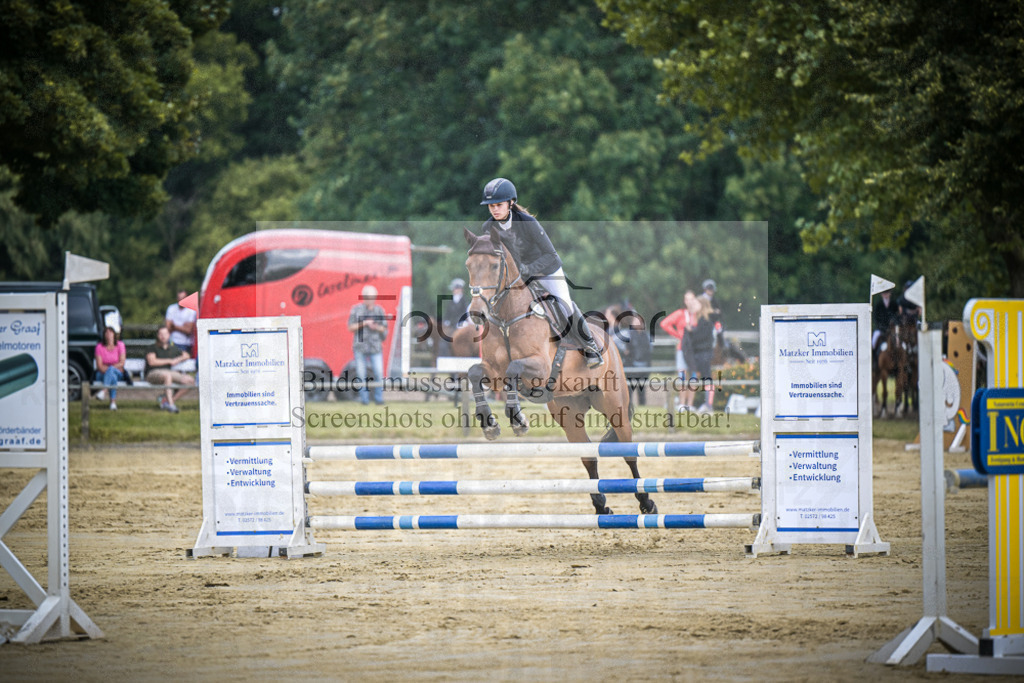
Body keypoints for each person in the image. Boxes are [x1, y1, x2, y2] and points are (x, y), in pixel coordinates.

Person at [479, 177, 603, 367]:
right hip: (517, 276)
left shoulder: (528, 222)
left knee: (565, 304)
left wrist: (529, 270)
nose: (494, 209)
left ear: (511, 203)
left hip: (546, 269)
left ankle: (590, 346)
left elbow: (551, 255)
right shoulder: (488, 227)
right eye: (491, 206)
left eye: (499, 205)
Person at [348, 284, 389, 405]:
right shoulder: (356, 310)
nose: (369, 299)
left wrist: (375, 326)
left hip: (375, 347)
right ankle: (364, 399)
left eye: (371, 297)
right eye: (367, 297)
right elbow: (351, 327)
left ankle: (378, 398)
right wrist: (364, 323)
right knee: (361, 374)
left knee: (378, 373)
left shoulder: (379, 311)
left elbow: (384, 329)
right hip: (360, 347)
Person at [659, 290, 696, 412]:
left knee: (693, 377)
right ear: (684, 301)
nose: (689, 301)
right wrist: (678, 335)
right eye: (687, 299)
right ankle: (682, 404)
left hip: (695, 349)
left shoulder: (697, 314)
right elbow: (665, 323)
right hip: (682, 348)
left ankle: (690, 404)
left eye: (691, 299)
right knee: (682, 376)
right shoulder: (681, 314)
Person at [144, 327, 195, 413]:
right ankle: (171, 406)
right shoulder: (152, 347)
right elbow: (152, 362)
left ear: (169, 335)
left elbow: (186, 355)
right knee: (167, 376)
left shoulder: (172, 348)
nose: (163, 336)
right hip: (152, 373)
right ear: (157, 336)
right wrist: (170, 361)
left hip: (168, 373)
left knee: (190, 381)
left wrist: (177, 360)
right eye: (161, 334)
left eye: (165, 334)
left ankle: (167, 401)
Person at [680, 294, 716, 413]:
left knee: (707, 378)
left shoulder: (706, 319)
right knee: (703, 378)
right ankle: (707, 404)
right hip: (701, 352)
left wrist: (691, 331)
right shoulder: (702, 319)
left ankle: (709, 405)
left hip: (704, 353)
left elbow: (701, 336)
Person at [94, 326, 126, 410]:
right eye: (106, 332)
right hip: (102, 373)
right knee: (112, 376)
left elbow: (122, 363)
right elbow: (99, 366)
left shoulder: (120, 345)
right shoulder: (99, 347)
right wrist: (110, 370)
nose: (108, 335)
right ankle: (112, 403)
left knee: (112, 372)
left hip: (118, 372)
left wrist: (110, 368)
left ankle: (104, 391)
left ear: (114, 334)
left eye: (110, 332)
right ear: (104, 335)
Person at [439, 278, 470, 357]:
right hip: (452, 323)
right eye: (455, 289)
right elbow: (448, 313)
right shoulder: (451, 301)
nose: (455, 291)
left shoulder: (464, 300)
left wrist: (460, 320)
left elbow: (465, 312)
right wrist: (446, 321)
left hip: (461, 322)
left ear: (461, 289)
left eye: (457, 289)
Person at [165, 289, 197, 357]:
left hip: (186, 344)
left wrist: (174, 326)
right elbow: (168, 327)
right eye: (180, 298)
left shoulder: (191, 310)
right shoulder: (171, 308)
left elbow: (188, 330)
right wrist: (183, 326)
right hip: (172, 342)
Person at [872, 289, 900, 361]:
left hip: (892, 329)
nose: (885, 295)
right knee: (874, 341)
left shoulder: (894, 304)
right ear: (881, 294)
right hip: (881, 329)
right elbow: (876, 318)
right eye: (884, 293)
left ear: (890, 293)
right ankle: (874, 360)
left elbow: (897, 316)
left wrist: (894, 325)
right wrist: (881, 327)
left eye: (887, 293)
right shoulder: (878, 304)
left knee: (901, 342)